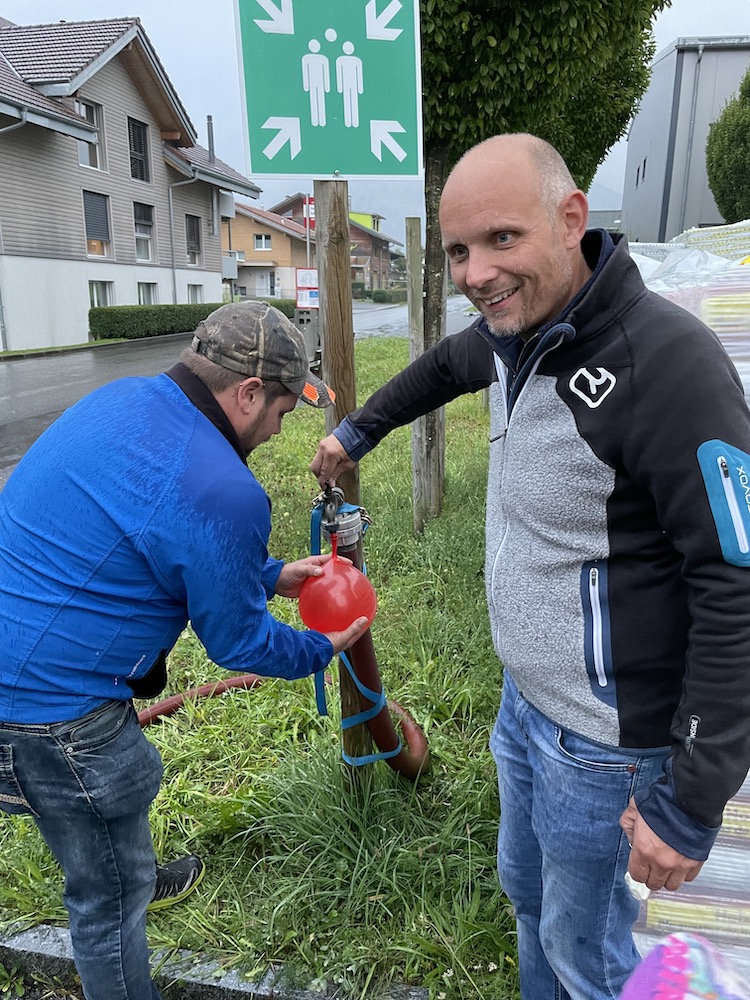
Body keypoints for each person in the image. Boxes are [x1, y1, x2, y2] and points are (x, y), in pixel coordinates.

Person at [310, 133, 750, 999]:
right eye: (460, 251)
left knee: (586, 950)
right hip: (525, 704)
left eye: (502, 239)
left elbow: (736, 586)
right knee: (529, 897)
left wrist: (692, 805)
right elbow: (440, 367)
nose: (476, 274)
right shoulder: (514, 338)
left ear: (571, 220)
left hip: (605, 741)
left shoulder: (667, 365)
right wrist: (354, 432)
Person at [0, 301, 370, 1000]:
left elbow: (152, 533)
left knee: (103, 834)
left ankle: (125, 865)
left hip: (16, 655)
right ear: (249, 393)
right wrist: (322, 647)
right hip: (49, 713)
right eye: (282, 414)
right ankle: (120, 883)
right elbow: (238, 641)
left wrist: (266, 574)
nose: (276, 430)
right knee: (105, 904)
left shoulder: (125, 401)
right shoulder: (224, 486)